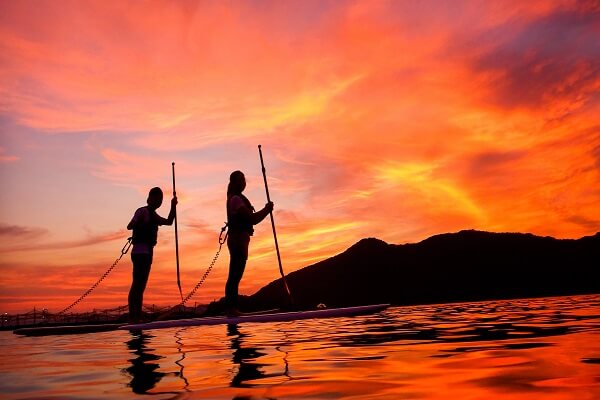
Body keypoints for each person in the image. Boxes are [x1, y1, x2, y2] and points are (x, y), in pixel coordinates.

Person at [226, 170, 273, 316]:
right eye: (240, 180)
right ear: (233, 183)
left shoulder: (237, 198)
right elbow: (252, 219)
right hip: (237, 241)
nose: (243, 183)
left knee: (236, 276)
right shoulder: (235, 200)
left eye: (244, 180)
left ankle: (233, 309)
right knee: (234, 276)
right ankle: (232, 309)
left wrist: (266, 210)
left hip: (241, 241)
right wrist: (267, 209)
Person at [127, 187, 177, 323]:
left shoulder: (154, 215)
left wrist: (173, 206)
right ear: (149, 199)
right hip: (139, 252)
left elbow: (169, 222)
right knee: (137, 284)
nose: (158, 201)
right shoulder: (142, 211)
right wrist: (140, 223)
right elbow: (130, 226)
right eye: (156, 198)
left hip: (148, 252)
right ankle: (133, 316)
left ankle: (137, 315)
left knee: (141, 286)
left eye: (160, 199)